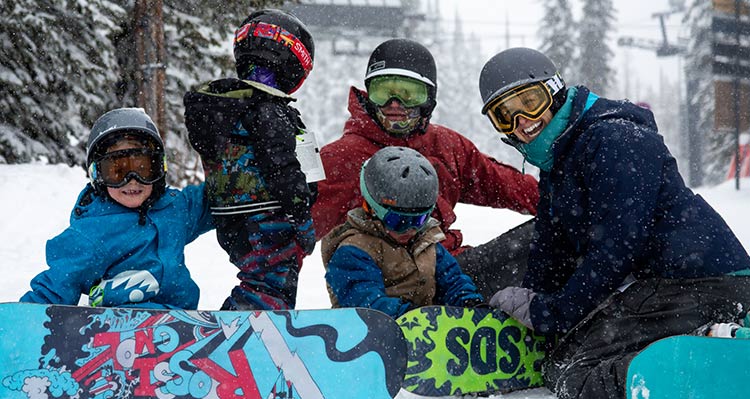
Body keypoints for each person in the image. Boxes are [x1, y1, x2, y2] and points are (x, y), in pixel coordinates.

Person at [478, 47, 750, 399]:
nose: (522, 122)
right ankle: (710, 340)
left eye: (530, 101)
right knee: (560, 363)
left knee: (575, 377)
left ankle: (714, 349)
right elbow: (551, 246)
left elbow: (618, 246)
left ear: (556, 90)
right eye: (505, 115)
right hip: (666, 286)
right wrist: (535, 304)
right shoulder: (558, 159)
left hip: (702, 282)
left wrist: (556, 312)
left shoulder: (615, 138)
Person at [312, 38, 539, 299]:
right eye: (383, 92)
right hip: (382, 291)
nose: (395, 104)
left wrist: (564, 200)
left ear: (428, 99)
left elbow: (504, 184)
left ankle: (558, 325)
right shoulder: (342, 159)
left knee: (548, 235)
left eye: (409, 93)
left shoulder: (445, 146)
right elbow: (292, 228)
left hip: (448, 274)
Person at [184, 9, 316, 311]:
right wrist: (301, 214)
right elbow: (283, 166)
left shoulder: (223, 106)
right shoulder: (270, 111)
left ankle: (250, 331)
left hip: (231, 216)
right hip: (268, 214)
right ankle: (242, 332)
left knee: (261, 279)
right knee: (271, 283)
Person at [20, 108, 213, 309]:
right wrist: (25, 320)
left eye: (143, 169)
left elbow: (216, 200)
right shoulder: (93, 232)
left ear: (159, 169)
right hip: (120, 329)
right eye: (117, 171)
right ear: (98, 175)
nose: (132, 181)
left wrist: (221, 148)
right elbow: (58, 283)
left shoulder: (175, 210)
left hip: (185, 325)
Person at [321, 146, 484, 318]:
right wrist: (416, 317)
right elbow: (368, 305)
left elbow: (453, 282)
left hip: (425, 336)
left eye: (418, 221)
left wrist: (468, 303)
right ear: (372, 209)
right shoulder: (353, 251)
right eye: (398, 221)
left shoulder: (426, 243)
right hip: (372, 337)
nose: (410, 229)